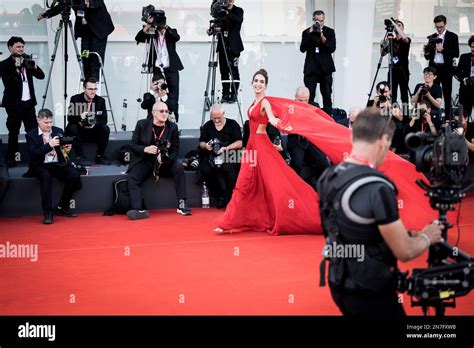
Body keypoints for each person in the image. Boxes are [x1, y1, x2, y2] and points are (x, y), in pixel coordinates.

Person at [215, 69, 440, 236]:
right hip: (252, 148)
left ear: (266, 85)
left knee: (271, 186)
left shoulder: (265, 102)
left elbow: (273, 120)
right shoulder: (253, 101)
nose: (257, 84)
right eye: (255, 81)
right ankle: (240, 219)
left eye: (261, 81)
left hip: (262, 147)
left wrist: (287, 124)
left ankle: (249, 220)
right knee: (248, 184)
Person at [317, 108, 442, 318]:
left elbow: (359, 228)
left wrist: (409, 233)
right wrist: (428, 236)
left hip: (338, 281)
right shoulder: (378, 187)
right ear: (383, 140)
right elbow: (405, 251)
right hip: (370, 290)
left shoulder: (329, 176)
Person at [126, 101, 191, 220]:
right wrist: (145, 149)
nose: (165, 114)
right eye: (161, 111)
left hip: (164, 162)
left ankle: (182, 203)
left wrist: (166, 159)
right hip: (145, 161)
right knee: (133, 177)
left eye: (166, 111)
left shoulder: (172, 127)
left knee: (178, 167)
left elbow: (175, 149)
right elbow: (132, 145)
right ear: (153, 113)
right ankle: (138, 209)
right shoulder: (142, 124)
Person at [25, 109, 83, 224]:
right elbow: (33, 154)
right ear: (38, 120)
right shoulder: (31, 135)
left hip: (57, 163)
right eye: (46, 123)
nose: (49, 125)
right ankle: (48, 212)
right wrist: (49, 145)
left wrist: (66, 150)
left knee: (74, 175)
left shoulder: (58, 131)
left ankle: (62, 207)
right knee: (46, 176)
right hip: (40, 165)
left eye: (51, 122)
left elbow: (64, 153)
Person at [38, 0, 115, 80]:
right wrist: (46, 14)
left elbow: (97, 3)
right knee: (85, 53)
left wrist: (87, 3)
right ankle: (86, 78)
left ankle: (94, 79)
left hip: (99, 28)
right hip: (85, 29)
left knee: (94, 54)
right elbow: (62, 6)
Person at [0, 36, 45, 167]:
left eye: (22, 47)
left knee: (32, 131)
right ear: (10, 48)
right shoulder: (4, 64)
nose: (21, 49)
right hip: (14, 104)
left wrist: (34, 66)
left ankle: (35, 157)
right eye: (18, 46)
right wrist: (17, 70)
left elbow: (41, 76)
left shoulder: (27, 61)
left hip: (29, 103)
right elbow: (8, 83)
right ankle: (11, 158)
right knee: (13, 131)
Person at [135, 13, 183, 122]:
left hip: (171, 68)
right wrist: (148, 25)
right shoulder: (152, 32)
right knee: (157, 90)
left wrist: (165, 27)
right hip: (157, 68)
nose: (160, 25)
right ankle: (155, 118)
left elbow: (177, 37)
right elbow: (138, 37)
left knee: (174, 95)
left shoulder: (171, 31)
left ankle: (174, 121)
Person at [199, 103, 242, 208]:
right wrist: (206, 146)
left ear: (224, 114)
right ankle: (220, 196)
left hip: (229, 154)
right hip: (211, 155)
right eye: (214, 118)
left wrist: (227, 148)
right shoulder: (208, 125)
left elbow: (240, 143)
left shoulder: (233, 124)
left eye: (219, 118)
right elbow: (201, 143)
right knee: (205, 170)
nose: (217, 120)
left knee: (229, 169)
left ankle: (231, 199)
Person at [287, 86, 330, 190]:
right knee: (297, 163)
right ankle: (293, 187)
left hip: (311, 140)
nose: (303, 103)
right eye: (300, 100)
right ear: (295, 99)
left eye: (305, 100)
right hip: (295, 139)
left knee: (323, 162)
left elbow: (322, 123)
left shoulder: (314, 107)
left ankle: (320, 188)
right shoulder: (289, 107)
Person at [66, 77, 110, 164]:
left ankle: (100, 156)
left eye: (95, 89)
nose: (93, 92)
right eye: (90, 89)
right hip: (79, 131)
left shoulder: (100, 101)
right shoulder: (75, 99)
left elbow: (104, 120)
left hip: (93, 131)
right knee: (72, 127)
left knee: (105, 128)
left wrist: (95, 123)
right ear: (84, 89)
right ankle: (80, 157)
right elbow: (69, 119)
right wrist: (80, 117)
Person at [300, 10, 336, 116]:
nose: (319, 23)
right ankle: (309, 118)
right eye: (317, 21)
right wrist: (310, 34)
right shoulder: (306, 32)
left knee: (327, 96)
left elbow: (332, 48)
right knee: (309, 97)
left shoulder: (330, 31)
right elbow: (302, 48)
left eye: (321, 21)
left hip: (325, 69)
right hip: (311, 69)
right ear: (313, 20)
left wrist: (322, 37)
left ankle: (328, 120)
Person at [424, 15, 459, 118]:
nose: (439, 29)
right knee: (433, 93)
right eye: (437, 27)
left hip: (446, 69)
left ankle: (448, 119)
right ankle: (434, 118)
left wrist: (443, 50)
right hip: (434, 70)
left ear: (445, 24)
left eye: (441, 27)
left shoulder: (452, 36)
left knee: (447, 95)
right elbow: (427, 57)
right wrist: (427, 51)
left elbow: (456, 53)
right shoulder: (432, 37)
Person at [210, 0, 244, 103]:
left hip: (234, 47)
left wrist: (227, 13)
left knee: (234, 71)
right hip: (222, 45)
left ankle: (234, 93)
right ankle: (225, 93)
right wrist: (211, 30)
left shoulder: (238, 10)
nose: (228, 1)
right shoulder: (221, 10)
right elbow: (217, 23)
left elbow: (238, 20)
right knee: (223, 71)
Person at [380, 19, 411, 107]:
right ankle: (394, 114)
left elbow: (405, 38)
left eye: (399, 25)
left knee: (404, 95)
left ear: (402, 29)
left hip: (403, 71)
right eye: (395, 26)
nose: (396, 27)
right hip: (393, 71)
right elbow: (382, 54)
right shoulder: (391, 40)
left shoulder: (406, 39)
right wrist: (381, 45)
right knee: (392, 94)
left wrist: (394, 23)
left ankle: (405, 115)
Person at [455, 35, 474, 119]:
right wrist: (463, 79)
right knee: (464, 114)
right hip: (466, 89)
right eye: (472, 47)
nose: (473, 49)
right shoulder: (464, 57)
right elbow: (457, 71)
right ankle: (464, 131)